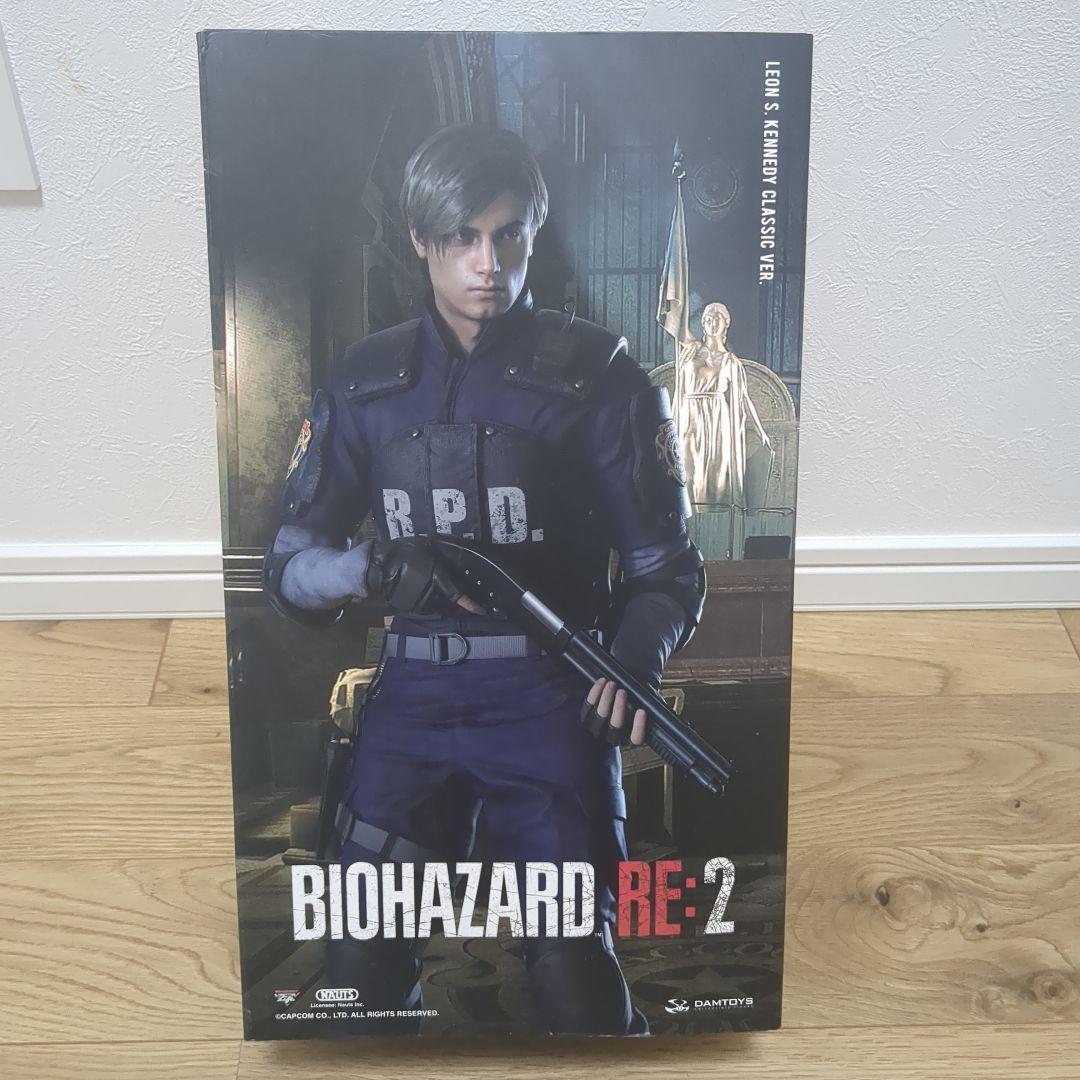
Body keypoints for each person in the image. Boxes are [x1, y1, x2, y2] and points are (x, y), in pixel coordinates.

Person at [262, 123, 706, 1035]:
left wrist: (632, 663)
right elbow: (288, 568)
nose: (487, 263)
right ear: (420, 240)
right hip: (409, 706)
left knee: (575, 979)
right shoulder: (365, 381)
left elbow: (668, 571)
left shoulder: (600, 377)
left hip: (550, 703)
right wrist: (368, 567)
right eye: (461, 237)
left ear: (534, 233)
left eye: (508, 235)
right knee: (358, 976)